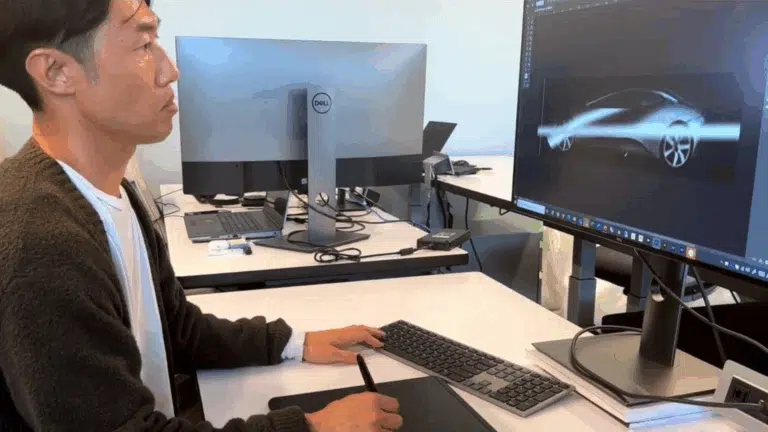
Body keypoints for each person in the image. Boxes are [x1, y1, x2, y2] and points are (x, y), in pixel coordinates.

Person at [0, 1, 403, 431]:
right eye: (144, 44)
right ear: (56, 73)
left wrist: (291, 343)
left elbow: (177, 329)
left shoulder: (111, 192)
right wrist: (312, 427)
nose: (170, 71)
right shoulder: (41, 243)